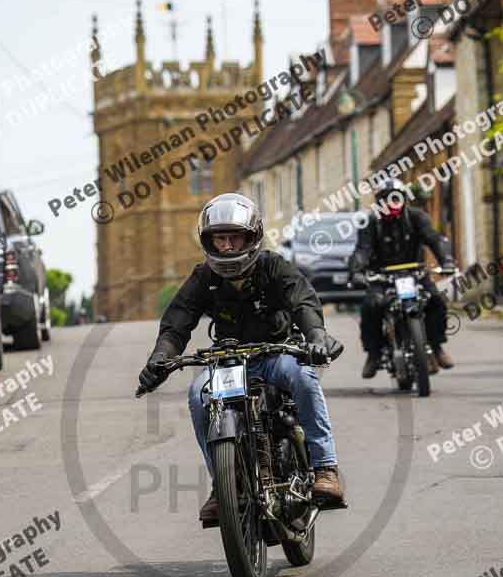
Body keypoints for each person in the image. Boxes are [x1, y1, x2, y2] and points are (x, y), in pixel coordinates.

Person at [138, 192, 345, 522]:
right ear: (209, 242)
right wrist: (160, 358)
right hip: (229, 361)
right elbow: (177, 322)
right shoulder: (203, 278)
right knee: (197, 395)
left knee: (303, 378)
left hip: (276, 352)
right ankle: (225, 484)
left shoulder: (273, 266)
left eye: (235, 237)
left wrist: (317, 336)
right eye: (220, 239)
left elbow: (302, 300)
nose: (228, 247)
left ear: (252, 237)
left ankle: (325, 467)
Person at [349, 179, 456, 379]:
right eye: (385, 198)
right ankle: (373, 354)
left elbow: (434, 239)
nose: (391, 202)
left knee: (436, 301)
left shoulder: (417, 217)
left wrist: (447, 260)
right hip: (382, 277)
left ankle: (436, 346)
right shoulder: (371, 222)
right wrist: (357, 271)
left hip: (415, 273)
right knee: (371, 306)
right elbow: (362, 250)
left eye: (396, 197)